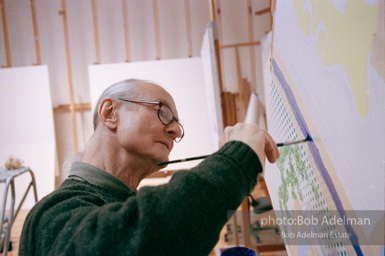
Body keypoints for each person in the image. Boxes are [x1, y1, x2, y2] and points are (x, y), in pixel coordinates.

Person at [20, 79, 279, 256]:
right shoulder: (50, 214)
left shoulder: (117, 203)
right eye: (163, 112)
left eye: (178, 125)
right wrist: (236, 158)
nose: (176, 130)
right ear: (110, 113)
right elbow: (141, 233)